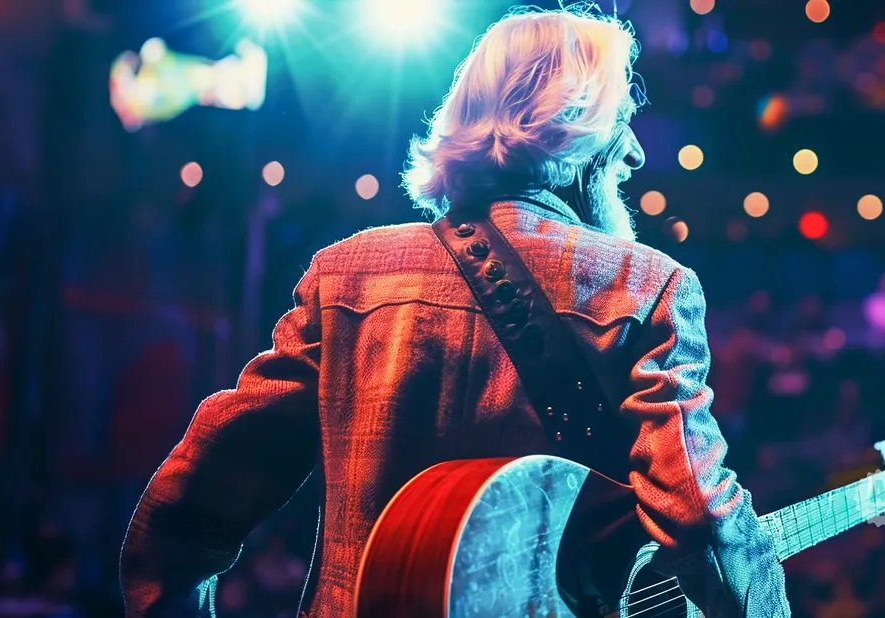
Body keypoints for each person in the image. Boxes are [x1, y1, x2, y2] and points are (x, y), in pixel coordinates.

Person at [120, 5, 791, 617]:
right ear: (574, 130)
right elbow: (700, 517)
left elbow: (197, 495)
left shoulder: (347, 274)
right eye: (621, 122)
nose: (636, 153)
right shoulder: (646, 286)